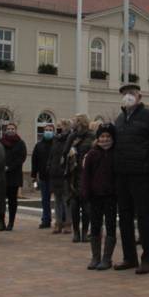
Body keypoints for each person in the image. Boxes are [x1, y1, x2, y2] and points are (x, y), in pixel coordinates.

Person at [113, 83, 149, 275]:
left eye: (131, 93)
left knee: (145, 217)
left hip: (142, 173)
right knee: (124, 216)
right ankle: (129, 257)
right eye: (124, 93)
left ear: (139, 96)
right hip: (122, 173)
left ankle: (147, 258)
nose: (128, 96)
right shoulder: (119, 119)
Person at [81, 123, 117, 270]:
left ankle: (107, 258)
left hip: (111, 196)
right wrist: (85, 192)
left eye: (108, 136)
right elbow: (85, 176)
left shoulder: (116, 154)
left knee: (110, 225)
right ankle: (95, 257)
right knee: (95, 225)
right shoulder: (92, 154)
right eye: (102, 136)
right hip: (95, 195)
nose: (104, 139)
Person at [66, 114, 94, 242]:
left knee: (87, 206)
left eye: (76, 121)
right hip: (73, 174)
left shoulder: (91, 136)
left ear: (81, 123)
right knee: (74, 205)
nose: (74, 123)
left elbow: (94, 152)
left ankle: (84, 232)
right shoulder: (72, 136)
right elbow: (64, 153)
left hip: (86, 175)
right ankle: (76, 232)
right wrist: (69, 155)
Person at [0, 122, 27, 231]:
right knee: (0, 200)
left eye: (13, 128)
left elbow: (21, 158)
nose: (11, 130)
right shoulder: (0, 142)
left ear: (16, 130)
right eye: (9, 128)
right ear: (6, 130)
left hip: (14, 175)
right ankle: (1, 221)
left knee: (12, 200)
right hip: (1, 175)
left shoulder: (20, 143)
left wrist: (9, 167)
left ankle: (11, 222)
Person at [48, 119, 72, 233]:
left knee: (66, 199)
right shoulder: (55, 139)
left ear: (66, 127)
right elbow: (51, 155)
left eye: (60, 126)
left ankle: (68, 223)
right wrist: (49, 167)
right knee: (57, 199)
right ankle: (58, 222)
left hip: (65, 173)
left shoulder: (70, 139)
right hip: (55, 173)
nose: (58, 128)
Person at [31, 123, 55, 229]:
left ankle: (61, 219)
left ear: (54, 132)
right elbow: (34, 161)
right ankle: (46, 219)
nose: (48, 131)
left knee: (59, 200)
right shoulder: (39, 145)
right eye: (46, 130)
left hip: (55, 176)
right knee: (45, 200)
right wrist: (33, 175)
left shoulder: (56, 144)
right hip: (43, 177)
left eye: (50, 130)